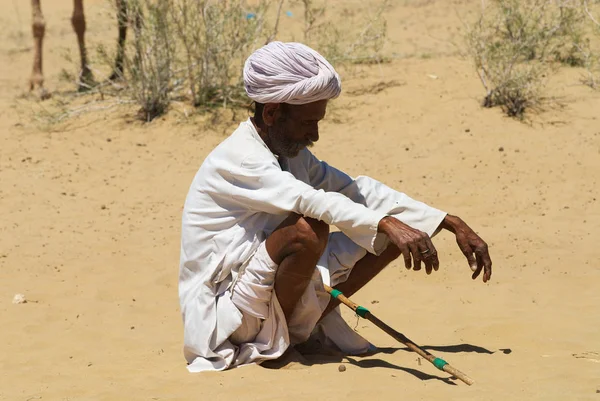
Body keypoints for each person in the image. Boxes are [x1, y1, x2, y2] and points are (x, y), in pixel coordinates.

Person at [179, 41, 492, 372]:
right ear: (272, 113)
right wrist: (384, 223)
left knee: (396, 231)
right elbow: (310, 200)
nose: (314, 134)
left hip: (262, 291)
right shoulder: (240, 158)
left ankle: (293, 333)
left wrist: (447, 221)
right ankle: (281, 347)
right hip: (226, 315)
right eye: (307, 123)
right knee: (309, 230)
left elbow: (353, 190)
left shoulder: (292, 153)